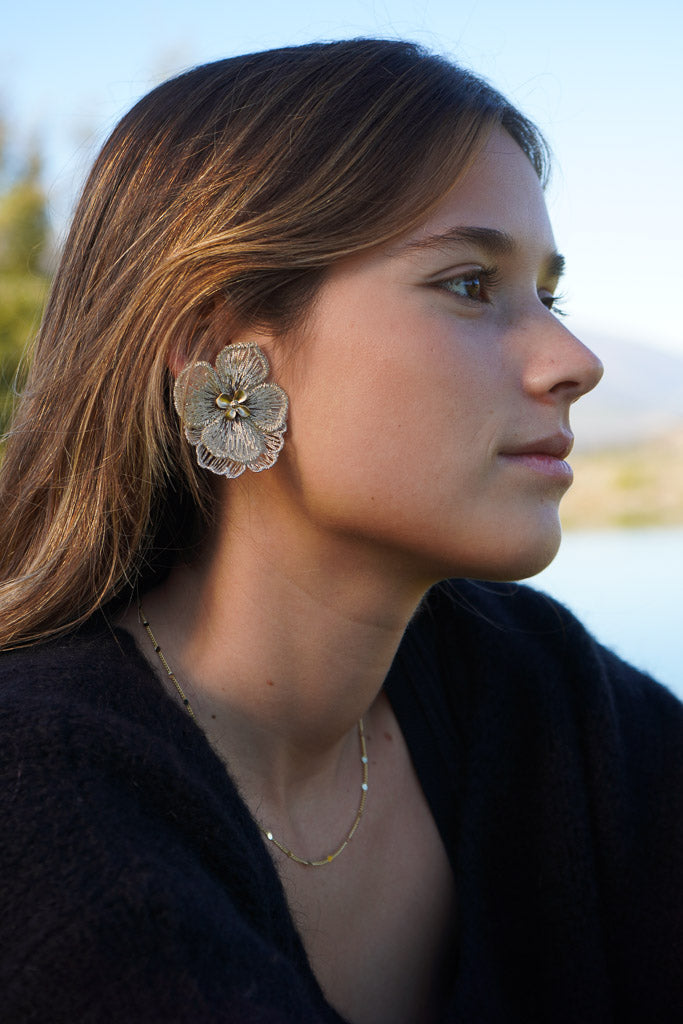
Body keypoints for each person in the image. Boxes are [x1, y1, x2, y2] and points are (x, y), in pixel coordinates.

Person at [0, 38, 681, 1024]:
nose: (574, 360)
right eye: (468, 284)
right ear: (221, 348)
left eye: (548, 295)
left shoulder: (539, 695)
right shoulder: (41, 803)